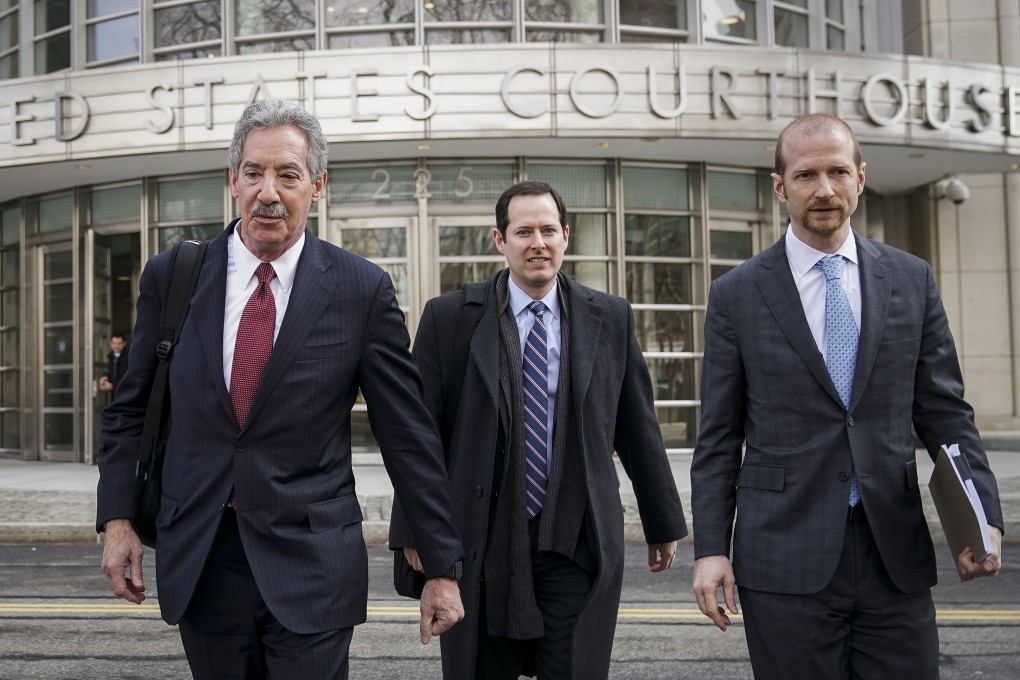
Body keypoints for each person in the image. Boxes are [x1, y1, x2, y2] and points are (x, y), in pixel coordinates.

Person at [97, 98, 464, 679]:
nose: (267, 192)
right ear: (233, 181)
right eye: (254, 173)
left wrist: (441, 566)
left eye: (288, 175)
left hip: (313, 563)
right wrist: (117, 520)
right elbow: (131, 409)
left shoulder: (360, 289)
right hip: (203, 558)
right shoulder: (174, 277)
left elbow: (408, 436)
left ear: (317, 187)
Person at [690, 113, 1004, 679]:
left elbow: (946, 414)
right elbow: (718, 438)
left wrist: (980, 521)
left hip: (894, 554)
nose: (824, 189)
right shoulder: (737, 294)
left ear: (860, 177)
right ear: (780, 187)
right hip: (783, 558)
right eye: (806, 175)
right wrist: (711, 549)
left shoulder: (911, 278)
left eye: (838, 172)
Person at [389, 180, 688, 679]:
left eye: (548, 230)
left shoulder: (609, 318)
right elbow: (418, 438)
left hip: (575, 546)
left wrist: (662, 521)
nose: (538, 243)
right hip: (480, 546)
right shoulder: (450, 319)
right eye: (523, 232)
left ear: (566, 236)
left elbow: (637, 427)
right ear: (499, 240)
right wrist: (412, 529)